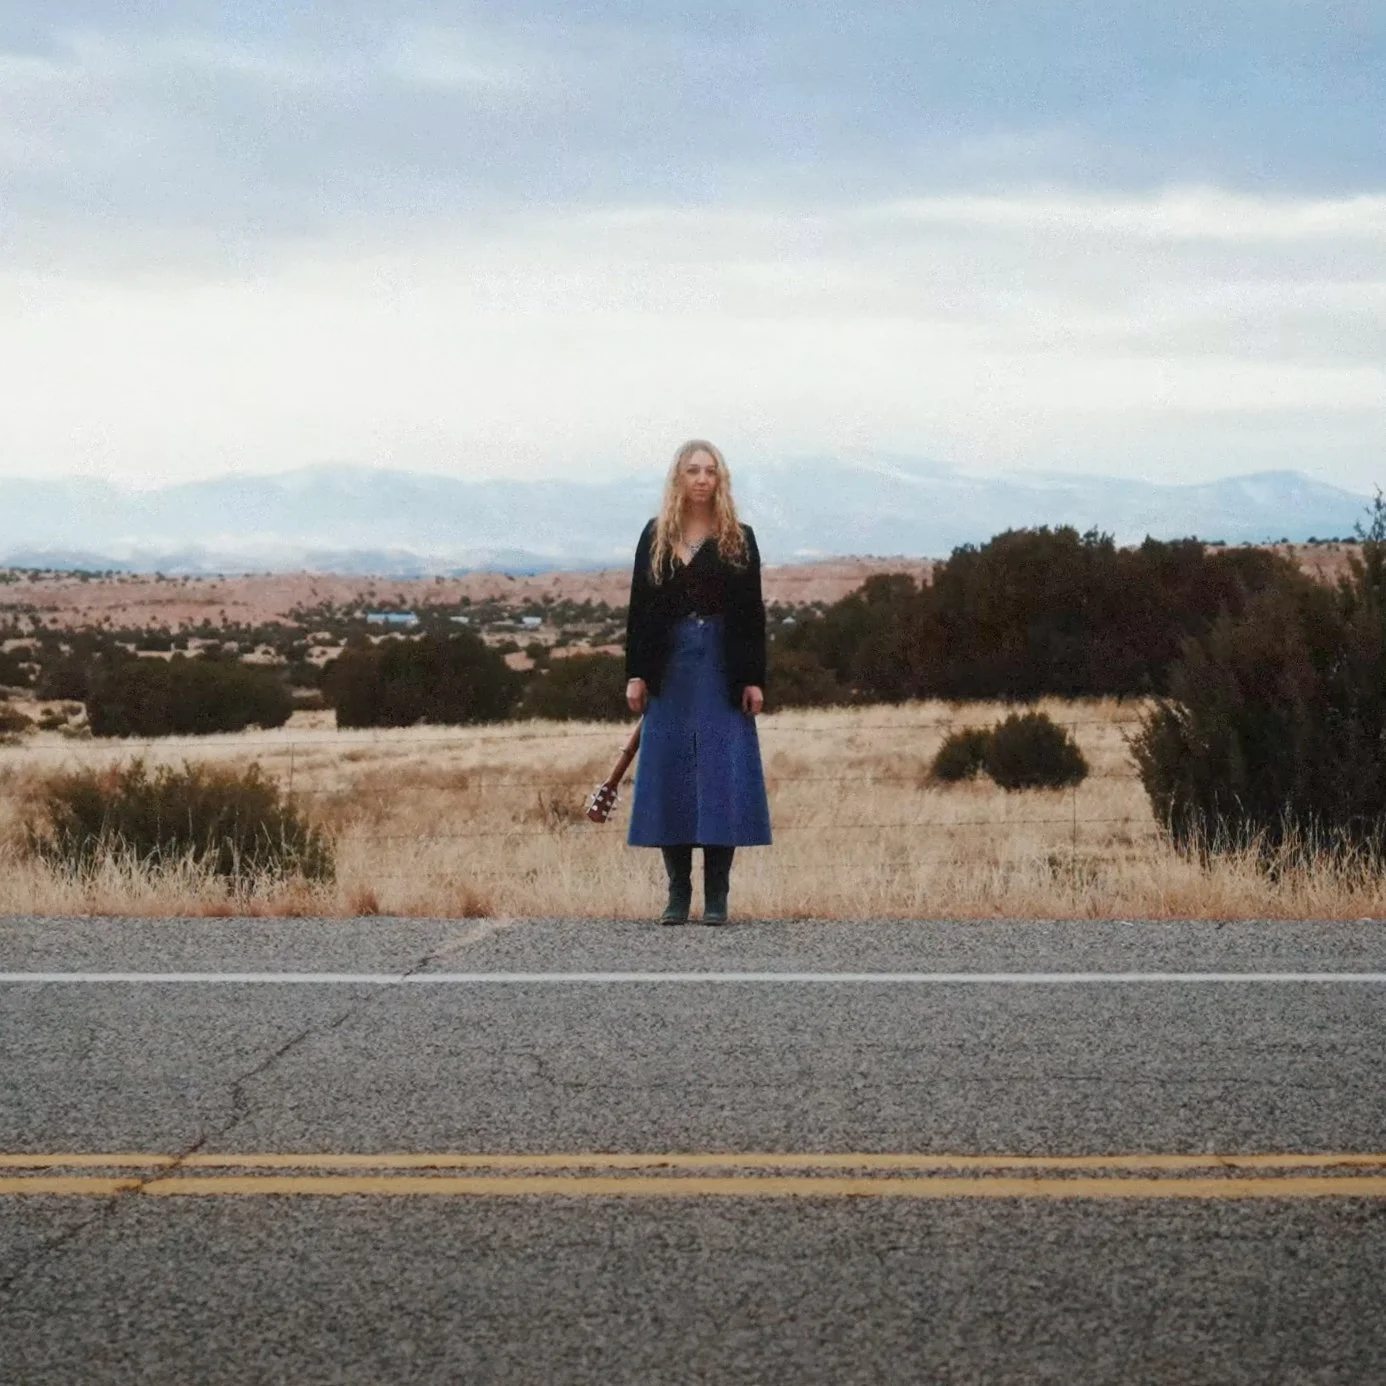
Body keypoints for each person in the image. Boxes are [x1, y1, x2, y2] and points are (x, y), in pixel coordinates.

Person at [624, 439, 772, 924]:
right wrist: (636, 673)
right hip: (670, 667)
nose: (703, 479)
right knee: (672, 774)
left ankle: (716, 895)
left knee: (719, 776)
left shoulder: (739, 538)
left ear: (720, 480)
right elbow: (640, 610)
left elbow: (752, 615)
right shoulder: (656, 535)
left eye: (711, 471)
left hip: (721, 666)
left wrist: (753, 679)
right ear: (679, 479)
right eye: (693, 470)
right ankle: (677, 892)